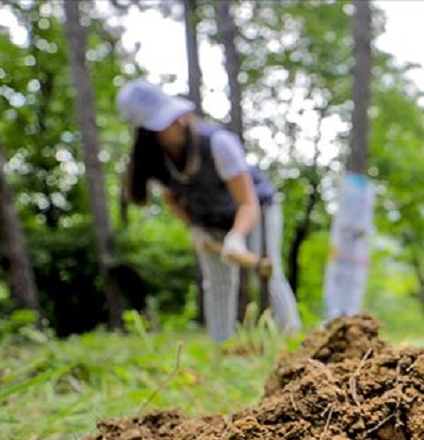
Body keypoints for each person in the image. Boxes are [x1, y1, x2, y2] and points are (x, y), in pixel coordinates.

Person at [117, 79, 300, 342]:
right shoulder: (153, 161)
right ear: (147, 131)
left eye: (174, 115)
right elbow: (174, 200)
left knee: (270, 271)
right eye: (166, 121)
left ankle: (292, 337)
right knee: (218, 283)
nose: (178, 121)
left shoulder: (218, 143)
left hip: (254, 209)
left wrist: (236, 237)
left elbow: (247, 202)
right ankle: (221, 346)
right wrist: (194, 229)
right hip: (208, 219)